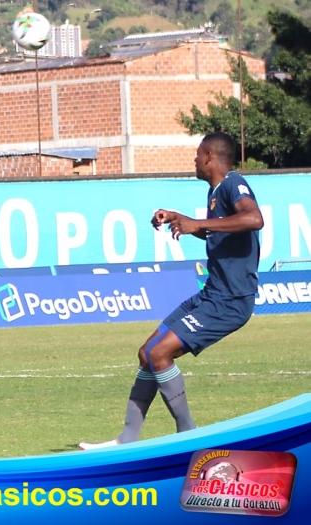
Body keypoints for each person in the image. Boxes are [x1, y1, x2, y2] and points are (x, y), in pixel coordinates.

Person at [79, 132, 264, 449]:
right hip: (210, 294)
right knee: (146, 352)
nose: (193, 159)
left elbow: (253, 219)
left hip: (229, 301)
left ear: (208, 156)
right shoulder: (215, 193)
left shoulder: (234, 184)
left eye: (196, 154)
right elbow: (218, 236)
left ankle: (189, 437)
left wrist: (198, 224)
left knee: (159, 353)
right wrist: (180, 219)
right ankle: (127, 439)